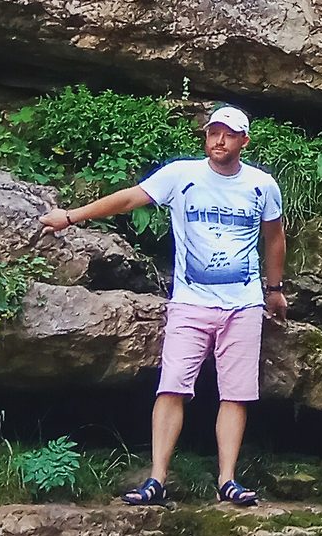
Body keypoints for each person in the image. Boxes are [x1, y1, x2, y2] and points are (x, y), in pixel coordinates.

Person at [40, 105, 287, 508]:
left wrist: (274, 290)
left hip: (243, 304)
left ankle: (227, 480)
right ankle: (157, 479)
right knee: (172, 387)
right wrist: (69, 217)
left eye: (228, 134)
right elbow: (127, 199)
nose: (218, 140)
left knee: (236, 393)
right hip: (190, 302)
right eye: (213, 133)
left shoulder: (262, 185)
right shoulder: (181, 176)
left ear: (244, 140)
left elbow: (274, 237)